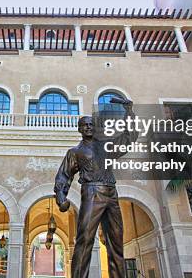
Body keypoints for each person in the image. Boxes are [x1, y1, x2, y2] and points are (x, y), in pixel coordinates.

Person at [54, 99, 137, 278]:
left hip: (111, 193)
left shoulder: (106, 146)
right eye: (85, 125)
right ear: (80, 129)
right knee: (85, 240)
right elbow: (63, 176)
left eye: (91, 124)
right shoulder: (75, 152)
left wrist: (129, 112)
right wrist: (61, 197)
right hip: (92, 192)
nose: (89, 127)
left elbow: (128, 138)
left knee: (116, 243)